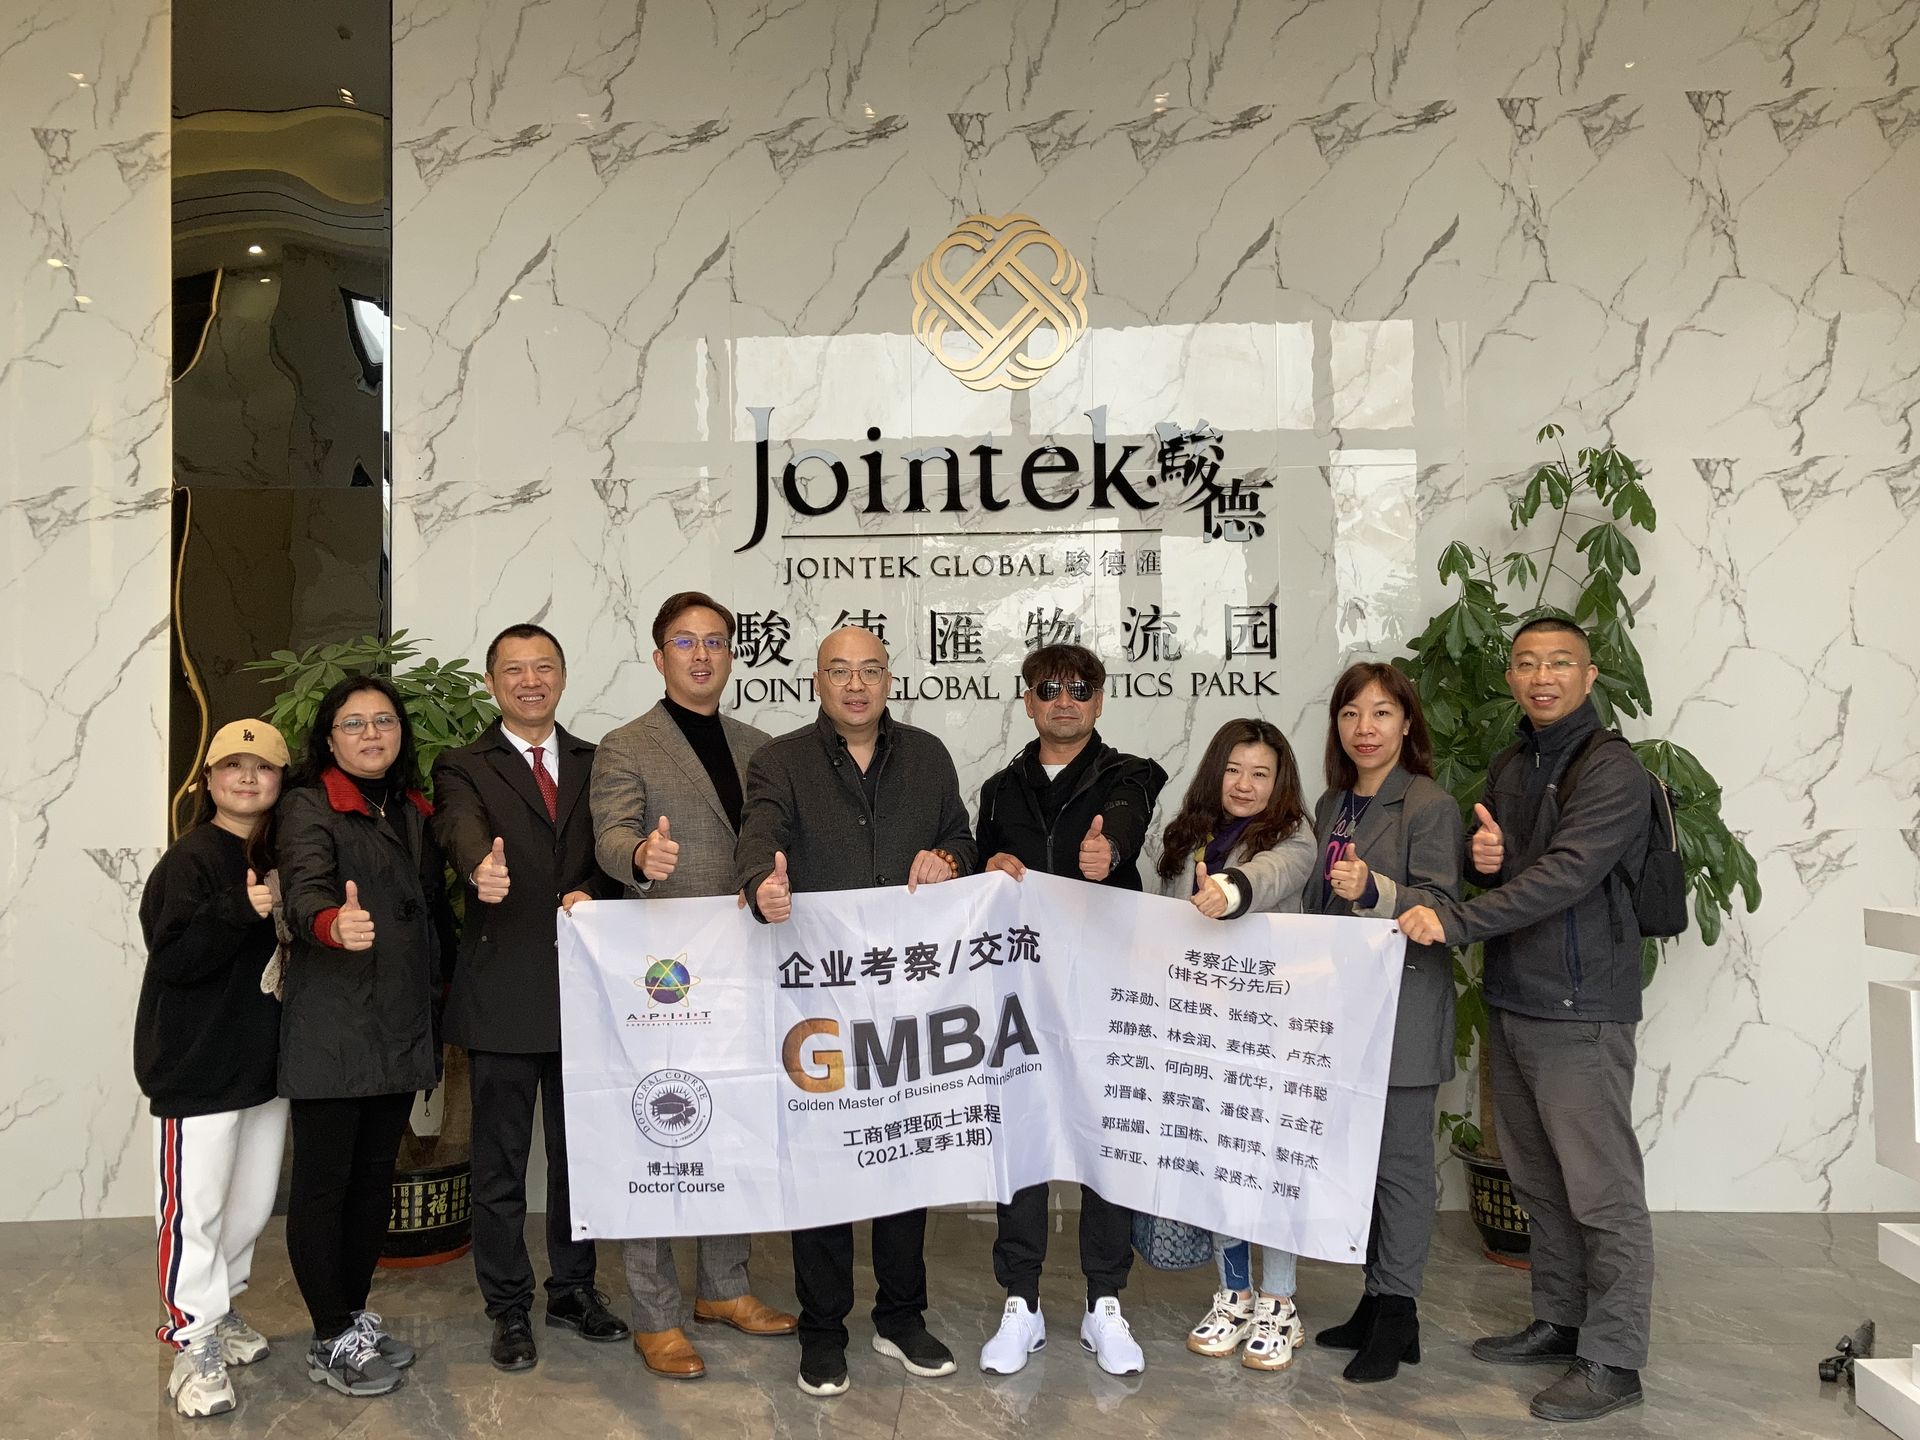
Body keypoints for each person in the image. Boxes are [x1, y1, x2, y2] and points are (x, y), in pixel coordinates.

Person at [1399, 616, 1653, 1423]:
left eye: (1560, 663)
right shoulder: (1514, 761)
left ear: (1590, 674)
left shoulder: (1613, 769)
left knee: (1601, 1192)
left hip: (1581, 1007)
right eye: (1527, 664)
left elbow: (1570, 874)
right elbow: (1518, 867)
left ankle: (1614, 1360)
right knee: (1539, 1181)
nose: (1543, 677)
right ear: (1511, 676)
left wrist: (1458, 919)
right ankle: (1560, 1320)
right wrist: (1488, 861)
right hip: (1515, 995)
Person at [735, 624, 977, 1398]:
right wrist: (762, 885)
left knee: (904, 1158)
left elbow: (960, 836)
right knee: (824, 1166)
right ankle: (823, 1329)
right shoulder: (781, 761)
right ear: (817, 682)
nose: (856, 684)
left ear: (889, 680)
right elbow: (759, 837)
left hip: (908, 999)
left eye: (870, 670)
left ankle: (901, 1318)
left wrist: (951, 859)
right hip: (821, 999)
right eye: (839, 671)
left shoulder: (928, 756)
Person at [590, 592, 798, 1378]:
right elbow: (611, 835)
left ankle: (724, 1287)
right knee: (659, 1128)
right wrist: (641, 859)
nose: (702, 654)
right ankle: (655, 1315)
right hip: (664, 980)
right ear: (659, 656)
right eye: (685, 641)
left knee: (734, 1123)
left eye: (715, 641)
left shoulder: (760, 748)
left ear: (732, 655)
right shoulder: (627, 744)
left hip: (748, 969)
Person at [431, 624, 629, 1374]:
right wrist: (478, 867)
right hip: (504, 993)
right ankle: (508, 1306)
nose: (530, 680)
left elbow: (612, 849)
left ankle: (573, 1290)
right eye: (514, 670)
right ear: (492, 684)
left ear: (563, 677)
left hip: (586, 993)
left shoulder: (596, 761)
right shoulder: (462, 764)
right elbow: (459, 826)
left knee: (581, 1159)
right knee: (501, 1166)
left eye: (544, 666)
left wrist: (599, 888)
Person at [972, 643, 1167, 1378]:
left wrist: (1106, 852)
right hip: (1021, 991)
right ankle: (1020, 1301)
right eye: (1049, 688)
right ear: (1027, 700)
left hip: (1104, 989)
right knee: (1022, 1139)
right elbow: (981, 869)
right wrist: (986, 865)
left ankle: (1103, 1302)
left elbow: (1125, 825)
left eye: (1080, 689)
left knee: (1104, 1139)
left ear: (1100, 700)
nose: (1064, 700)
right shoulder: (999, 789)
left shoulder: (1130, 774)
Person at [277, 675, 454, 1398]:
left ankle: (349, 1316)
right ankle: (329, 1336)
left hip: (400, 1020)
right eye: (354, 723)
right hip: (335, 1023)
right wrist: (330, 923)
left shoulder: (412, 807)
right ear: (329, 738)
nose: (371, 734)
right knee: (326, 1185)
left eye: (384, 721)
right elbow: (305, 889)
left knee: (374, 1180)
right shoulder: (308, 804)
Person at [1302, 663, 1462, 1383]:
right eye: (1350, 714)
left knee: (1399, 1168)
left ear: (1406, 723)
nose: (1364, 729)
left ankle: (1396, 1314)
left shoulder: (1429, 804)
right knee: (1362, 1167)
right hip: (1344, 1014)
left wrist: (1376, 891)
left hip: (1404, 1012)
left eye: (1381, 713)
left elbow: (1443, 905)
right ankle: (1378, 1302)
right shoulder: (1332, 803)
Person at [1150, 718, 1316, 1371]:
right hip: (1200, 1029)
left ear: (1280, 782)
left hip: (1268, 1031)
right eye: (1234, 770)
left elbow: (1270, 876)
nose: (1245, 785)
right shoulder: (1186, 835)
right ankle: (1235, 1293)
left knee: (1269, 1164)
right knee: (1219, 1162)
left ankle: (1280, 1302)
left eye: (1261, 774)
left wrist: (1230, 888)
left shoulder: (1293, 835)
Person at [137, 720, 291, 1418]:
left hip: (263, 1068)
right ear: (208, 780)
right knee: (194, 1213)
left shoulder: (280, 854)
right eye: (233, 765)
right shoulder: (192, 858)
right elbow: (174, 958)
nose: (248, 778)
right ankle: (191, 1342)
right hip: (198, 1068)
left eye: (263, 767)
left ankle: (220, 1310)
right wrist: (239, 908)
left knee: (250, 1207)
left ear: (281, 780)